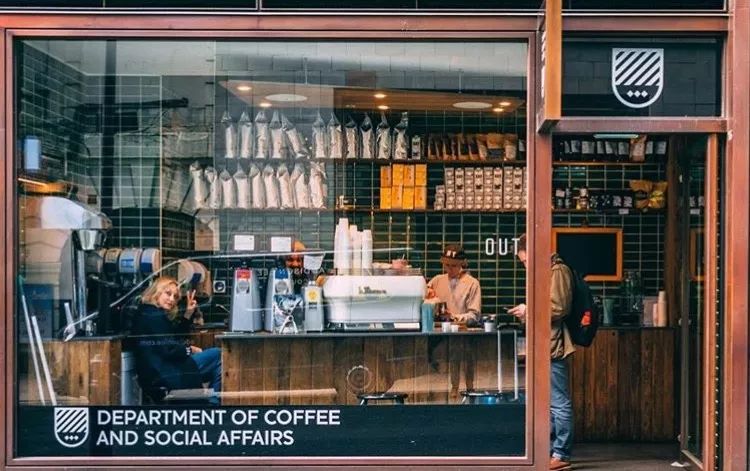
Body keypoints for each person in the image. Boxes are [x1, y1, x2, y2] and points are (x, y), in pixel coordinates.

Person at [508, 234, 575, 471]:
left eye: (526, 261)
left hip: (553, 345)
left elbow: (559, 308)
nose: (525, 265)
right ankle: (550, 451)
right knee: (548, 401)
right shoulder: (546, 272)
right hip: (544, 343)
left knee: (558, 401)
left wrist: (529, 309)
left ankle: (562, 453)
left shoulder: (558, 271)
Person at [132, 276, 222, 404]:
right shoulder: (154, 316)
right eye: (168, 294)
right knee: (219, 355)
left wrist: (187, 314)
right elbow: (169, 349)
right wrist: (189, 350)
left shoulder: (149, 312)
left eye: (175, 297)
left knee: (216, 357)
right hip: (166, 372)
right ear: (156, 292)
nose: (171, 299)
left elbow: (172, 339)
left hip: (159, 371)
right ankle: (212, 405)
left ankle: (210, 402)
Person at [426, 244, 482, 323]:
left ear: (462, 264)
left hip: (461, 332)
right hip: (437, 330)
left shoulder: (472, 284)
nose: (449, 269)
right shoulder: (436, 280)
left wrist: (453, 317)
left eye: (454, 265)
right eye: (447, 265)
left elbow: (474, 315)